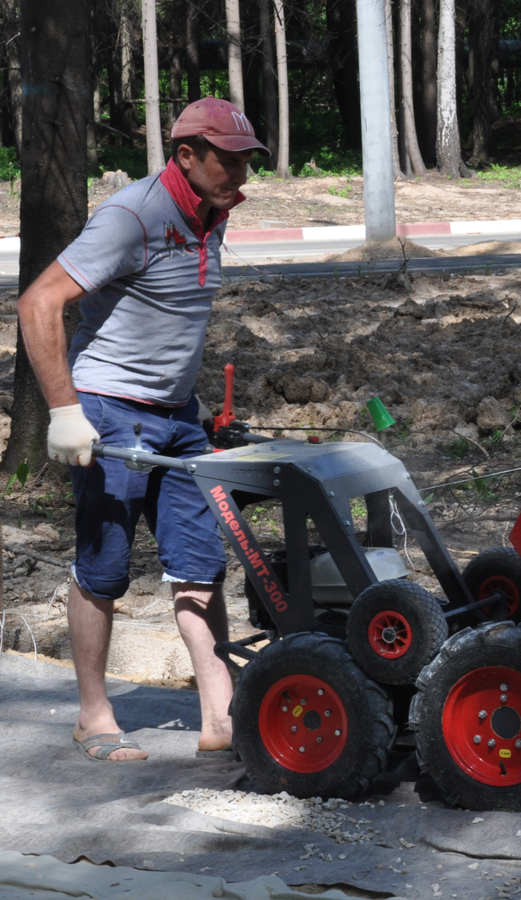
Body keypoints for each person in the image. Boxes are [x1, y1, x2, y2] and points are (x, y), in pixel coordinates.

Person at [15, 98, 269, 761]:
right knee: (104, 566)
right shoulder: (133, 216)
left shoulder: (214, 214)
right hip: (108, 410)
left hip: (177, 418)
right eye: (228, 160)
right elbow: (39, 301)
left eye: (246, 160)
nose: (241, 173)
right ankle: (94, 716)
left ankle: (221, 717)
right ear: (186, 155)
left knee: (201, 565)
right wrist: (65, 411)